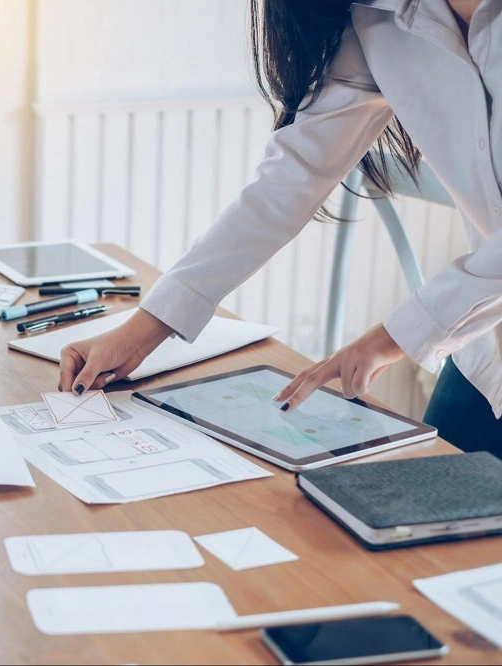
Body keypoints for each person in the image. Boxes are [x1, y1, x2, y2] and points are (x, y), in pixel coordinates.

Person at [57, 0, 502, 454]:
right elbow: (291, 178)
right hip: (487, 356)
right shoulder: (376, 15)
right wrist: (142, 331)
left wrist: (390, 339)